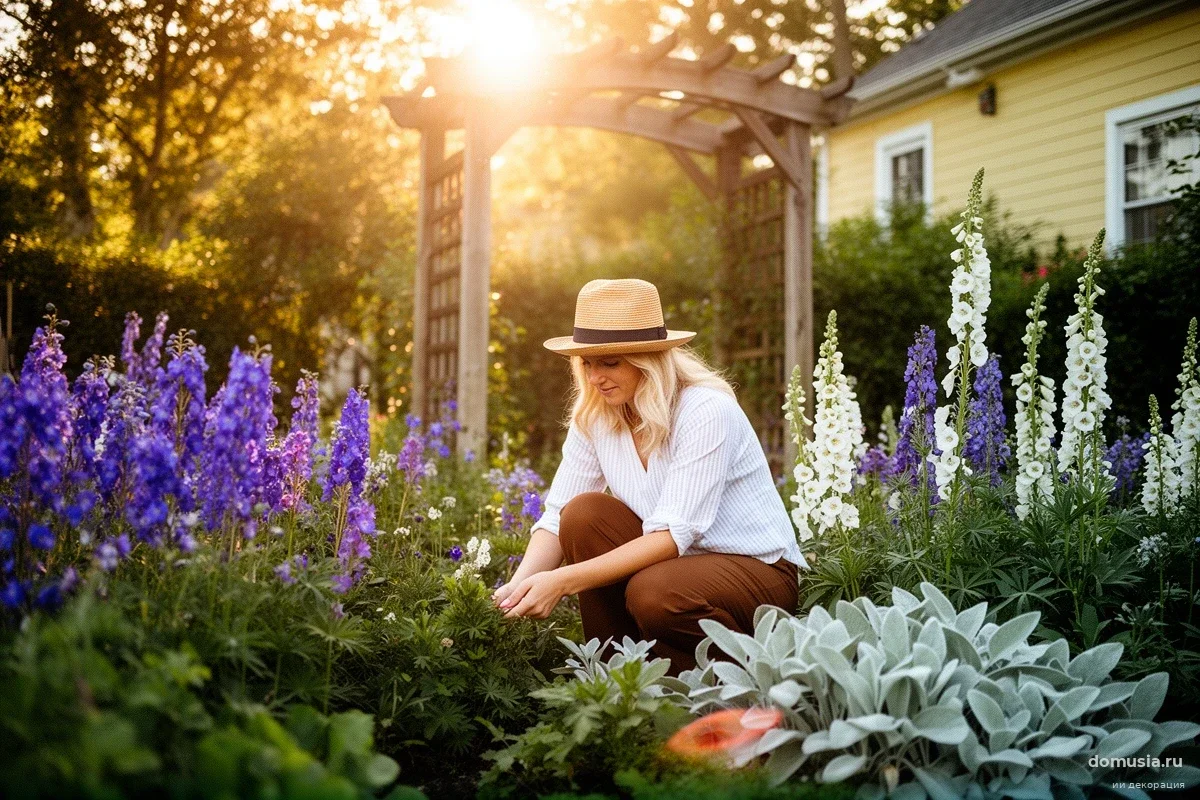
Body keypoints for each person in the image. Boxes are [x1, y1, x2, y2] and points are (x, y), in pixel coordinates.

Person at [491, 278, 807, 675]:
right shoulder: (596, 415)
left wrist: (562, 581)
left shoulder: (704, 410)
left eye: (610, 362)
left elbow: (675, 533)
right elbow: (556, 519)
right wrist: (516, 590)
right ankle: (616, 682)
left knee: (654, 593)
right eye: (587, 363)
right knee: (583, 513)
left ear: (649, 360)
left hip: (754, 571)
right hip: (673, 569)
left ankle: (744, 679)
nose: (594, 378)